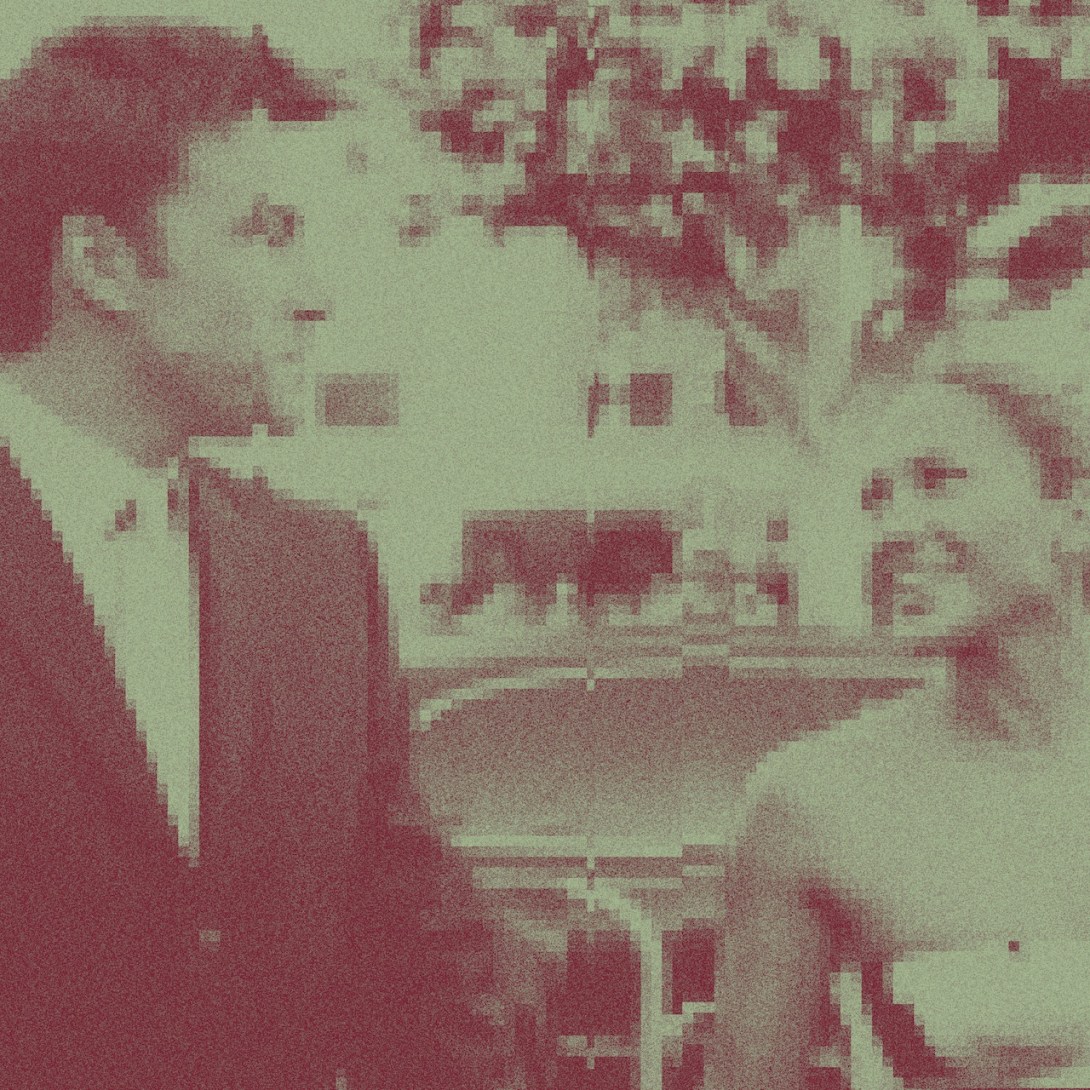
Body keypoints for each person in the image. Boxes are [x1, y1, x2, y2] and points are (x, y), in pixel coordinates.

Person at [0, 21, 511, 1090]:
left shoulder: (319, 576)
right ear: (102, 262)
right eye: (267, 231)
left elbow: (417, 957)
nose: (315, 293)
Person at [706, 372, 1090, 1090]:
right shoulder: (814, 804)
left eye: (938, 481)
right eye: (876, 499)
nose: (893, 527)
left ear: (1071, 508)